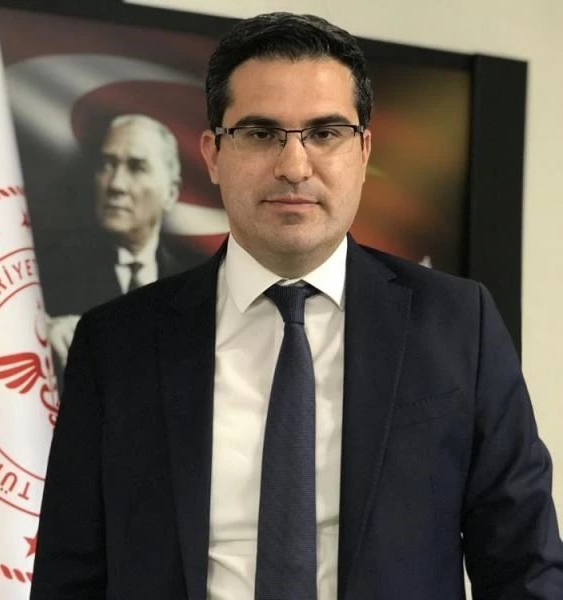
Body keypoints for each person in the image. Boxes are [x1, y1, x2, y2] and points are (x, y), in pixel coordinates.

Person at [31, 12, 563, 600]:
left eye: (325, 132)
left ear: (363, 151)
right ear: (212, 154)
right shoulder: (116, 343)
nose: (293, 166)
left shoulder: (460, 324)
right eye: (260, 134)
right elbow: (69, 575)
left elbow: (524, 565)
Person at [43, 113, 203, 366]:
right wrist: (40, 334)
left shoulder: (198, 289)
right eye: (107, 165)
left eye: (137, 167)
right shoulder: (48, 272)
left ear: (171, 193)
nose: (116, 184)